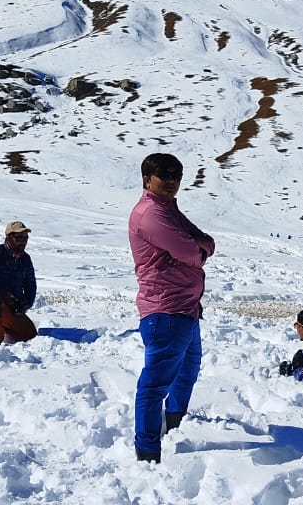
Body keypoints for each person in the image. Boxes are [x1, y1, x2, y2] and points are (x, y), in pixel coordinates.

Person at [128, 153, 216, 463]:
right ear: (146, 178)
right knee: (154, 385)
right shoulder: (150, 213)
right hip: (165, 310)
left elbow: (207, 242)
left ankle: (174, 426)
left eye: (176, 174)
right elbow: (190, 250)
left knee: (187, 372)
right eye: (163, 173)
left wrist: (196, 248)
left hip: (186, 310)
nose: (171, 179)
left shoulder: (169, 210)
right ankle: (148, 453)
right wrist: (194, 250)